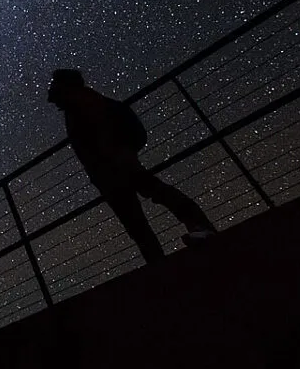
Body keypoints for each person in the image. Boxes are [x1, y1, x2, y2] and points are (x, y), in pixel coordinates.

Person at [47, 69, 216, 261]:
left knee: (146, 207)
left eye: (54, 84)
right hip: (112, 169)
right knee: (145, 208)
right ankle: (189, 234)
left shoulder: (85, 103)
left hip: (116, 167)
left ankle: (190, 236)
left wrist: (117, 156)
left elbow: (101, 133)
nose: (51, 89)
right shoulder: (79, 106)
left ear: (66, 86)